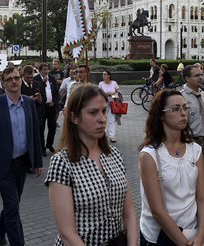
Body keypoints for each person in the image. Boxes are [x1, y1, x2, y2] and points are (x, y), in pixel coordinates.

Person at [46, 85, 137, 245]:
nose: (102, 119)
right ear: (74, 118)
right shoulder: (62, 162)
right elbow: (67, 232)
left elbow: (129, 212)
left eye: (103, 111)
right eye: (93, 112)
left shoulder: (114, 155)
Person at [0, 66, 43, 246]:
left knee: (12, 205)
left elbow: (35, 134)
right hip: (2, 165)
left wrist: (37, 161)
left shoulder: (28, 103)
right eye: (9, 79)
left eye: (16, 78)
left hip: (22, 163)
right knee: (13, 208)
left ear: (20, 80)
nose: (14, 81)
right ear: (3, 83)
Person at [138, 89, 204, 245]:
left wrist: (201, 235)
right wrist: (183, 243)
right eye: (176, 109)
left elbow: (203, 198)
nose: (183, 113)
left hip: (192, 232)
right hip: (160, 237)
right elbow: (157, 211)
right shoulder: (150, 155)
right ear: (161, 115)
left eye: (185, 107)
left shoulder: (195, 150)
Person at [181, 65, 204, 188]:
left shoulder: (203, 95)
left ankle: (198, 196)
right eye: (197, 75)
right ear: (187, 78)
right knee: (191, 176)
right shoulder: (182, 98)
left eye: (201, 74)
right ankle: (194, 199)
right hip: (189, 142)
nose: (201, 77)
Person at [34, 63, 60, 155]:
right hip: (41, 107)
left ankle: (49, 144)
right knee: (41, 128)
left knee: (52, 127)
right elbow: (37, 92)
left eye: (47, 69)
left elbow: (57, 92)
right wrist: (43, 83)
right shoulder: (36, 79)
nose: (45, 71)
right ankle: (42, 148)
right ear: (40, 70)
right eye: (44, 70)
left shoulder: (52, 78)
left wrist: (54, 102)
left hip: (51, 106)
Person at [98, 69, 120, 143]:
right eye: (103, 74)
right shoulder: (101, 84)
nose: (103, 76)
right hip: (102, 103)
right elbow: (98, 94)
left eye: (105, 74)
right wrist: (108, 93)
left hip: (112, 103)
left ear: (109, 75)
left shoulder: (114, 83)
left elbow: (117, 93)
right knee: (102, 119)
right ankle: (102, 134)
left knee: (111, 120)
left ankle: (112, 136)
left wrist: (112, 94)